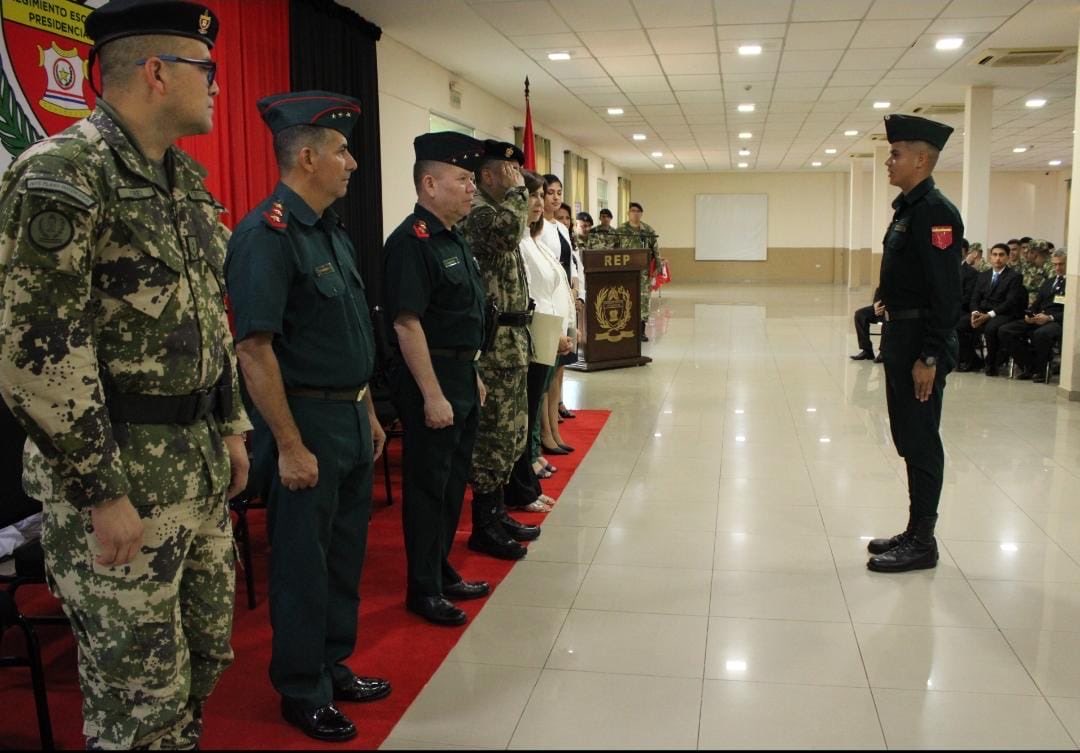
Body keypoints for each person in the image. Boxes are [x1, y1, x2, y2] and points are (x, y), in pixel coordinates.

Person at [0, 2, 252, 748]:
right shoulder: (61, 174)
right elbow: (35, 354)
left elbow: (213, 317)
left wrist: (231, 426)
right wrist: (100, 491)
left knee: (201, 662)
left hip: (197, 469)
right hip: (122, 488)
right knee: (136, 703)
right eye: (205, 70)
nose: (214, 87)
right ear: (156, 71)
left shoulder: (186, 183)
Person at [225, 91, 389, 743]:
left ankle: (331, 661)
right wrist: (288, 445)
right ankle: (300, 685)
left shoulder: (330, 233)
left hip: (348, 417)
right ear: (309, 156)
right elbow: (253, 347)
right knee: (301, 561)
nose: (352, 162)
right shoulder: (268, 235)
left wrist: (369, 411)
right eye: (344, 150)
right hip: (304, 425)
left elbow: (349, 339)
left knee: (345, 553)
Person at [382, 132, 489, 627]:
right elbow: (408, 323)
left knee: (451, 486)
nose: (472, 188)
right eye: (463, 179)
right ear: (429, 183)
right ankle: (422, 588)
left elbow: (462, 316)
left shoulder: (453, 237)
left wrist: (471, 374)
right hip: (433, 378)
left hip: (459, 373)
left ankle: (441, 569)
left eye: (471, 180)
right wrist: (432, 393)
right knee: (428, 488)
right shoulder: (411, 242)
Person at [865, 114, 962, 574]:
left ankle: (923, 540)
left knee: (921, 438)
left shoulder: (935, 212)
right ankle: (913, 528)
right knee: (907, 434)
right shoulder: (907, 208)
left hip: (919, 344)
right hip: (902, 337)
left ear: (922, 160)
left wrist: (929, 355)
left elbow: (946, 293)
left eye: (897, 153)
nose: (889, 161)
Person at [458, 140, 539, 561]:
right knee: (493, 438)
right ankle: (483, 525)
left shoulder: (503, 209)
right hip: (492, 348)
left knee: (513, 435)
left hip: (514, 340)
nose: (515, 179)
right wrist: (517, 193)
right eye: (508, 172)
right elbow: (508, 235)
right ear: (488, 175)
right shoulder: (480, 214)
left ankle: (499, 512)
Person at [507, 170, 576, 512]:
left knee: (532, 408)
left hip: (548, 334)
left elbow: (557, 286)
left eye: (539, 196)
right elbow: (531, 294)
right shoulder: (517, 242)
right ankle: (521, 486)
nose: (537, 203)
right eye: (530, 196)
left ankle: (526, 483)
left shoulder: (533, 239)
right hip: (534, 337)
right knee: (525, 414)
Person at [955, 243, 1026, 375]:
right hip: (982, 311)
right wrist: (975, 312)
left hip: (1002, 313)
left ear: (1007, 257)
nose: (997, 258)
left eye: (1001, 255)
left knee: (991, 328)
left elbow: (1010, 301)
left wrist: (989, 315)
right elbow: (975, 297)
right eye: (994, 255)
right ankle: (973, 360)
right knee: (960, 325)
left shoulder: (1014, 277)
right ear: (990, 257)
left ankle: (992, 364)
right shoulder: (983, 275)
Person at [999, 249, 1067, 383]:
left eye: (1061, 264)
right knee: (1005, 330)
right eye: (1055, 264)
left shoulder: (1074, 284)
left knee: (1041, 334)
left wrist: (1050, 318)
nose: (1057, 268)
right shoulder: (1049, 282)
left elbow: (1072, 311)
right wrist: (1029, 315)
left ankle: (1041, 370)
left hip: (1057, 320)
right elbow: (1037, 303)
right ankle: (1029, 364)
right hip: (1039, 317)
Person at [619, 201, 659, 341]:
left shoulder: (648, 231)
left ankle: (641, 331)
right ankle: (627, 329)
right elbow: (613, 250)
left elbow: (656, 251)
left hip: (643, 273)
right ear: (628, 213)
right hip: (626, 272)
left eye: (638, 211)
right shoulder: (621, 231)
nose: (635, 213)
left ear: (641, 214)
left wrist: (656, 269)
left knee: (643, 302)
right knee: (627, 300)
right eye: (632, 211)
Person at [850, 288, 884, 362]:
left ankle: (884, 352)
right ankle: (867, 351)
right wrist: (876, 305)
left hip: (894, 309)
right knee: (860, 314)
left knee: (888, 319)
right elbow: (879, 289)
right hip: (880, 307)